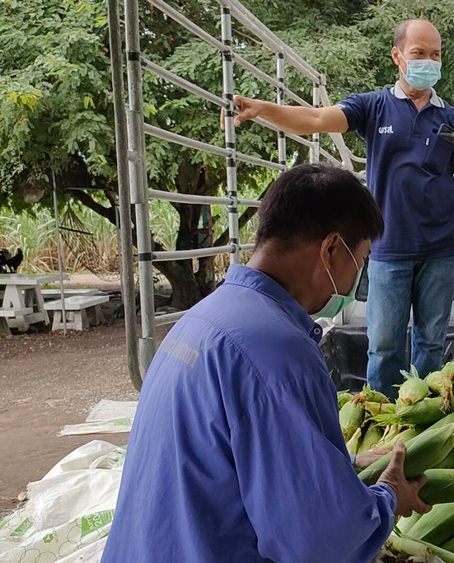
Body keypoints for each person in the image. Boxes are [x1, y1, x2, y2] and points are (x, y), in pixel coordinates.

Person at [102, 164, 430, 563]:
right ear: (330, 249)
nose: (355, 280)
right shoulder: (280, 354)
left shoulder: (201, 319)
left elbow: (232, 458)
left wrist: (343, 467)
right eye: (360, 261)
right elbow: (320, 541)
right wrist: (388, 497)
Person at [228, 18, 454, 398]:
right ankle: (382, 422)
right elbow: (317, 119)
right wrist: (263, 109)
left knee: (431, 345)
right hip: (389, 249)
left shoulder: (453, 119)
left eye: (435, 54)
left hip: (442, 251)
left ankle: (426, 418)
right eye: (419, 53)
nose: (429, 62)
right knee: (383, 347)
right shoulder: (373, 107)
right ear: (398, 56)